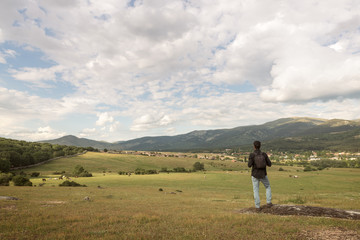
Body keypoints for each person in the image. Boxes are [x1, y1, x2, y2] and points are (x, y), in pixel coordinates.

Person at [248, 140, 272, 210]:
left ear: (254, 146)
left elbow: (249, 165)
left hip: (255, 174)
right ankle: (268, 202)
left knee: (256, 190)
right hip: (263, 174)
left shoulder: (252, 155)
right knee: (267, 187)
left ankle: (257, 207)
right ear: (260, 146)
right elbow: (269, 164)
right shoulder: (264, 154)